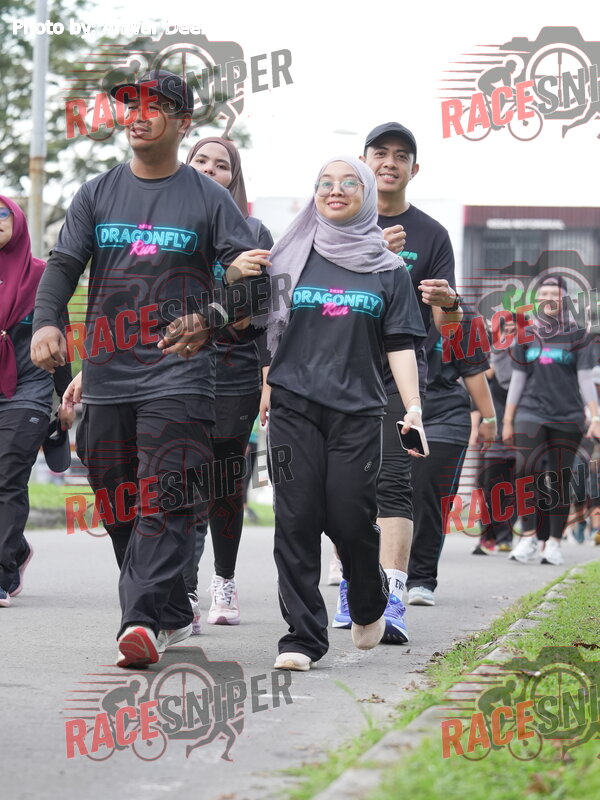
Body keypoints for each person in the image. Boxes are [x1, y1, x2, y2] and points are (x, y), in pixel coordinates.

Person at [32, 70, 269, 668]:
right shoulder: (96, 193)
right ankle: (165, 610)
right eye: (130, 104)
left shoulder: (210, 200)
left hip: (179, 374)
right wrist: (46, 322)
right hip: (108, 374)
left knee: (166, 494)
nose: (138, 114)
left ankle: (138, 619)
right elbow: (63, 263)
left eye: (155, 105)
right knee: (116, 501)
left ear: (183, 123)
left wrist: (210, 318)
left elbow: (253, 286)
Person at [259, 156, 426, 671]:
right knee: (296, 518)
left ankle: (369, 597)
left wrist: (414, 408)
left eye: (349, 183)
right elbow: (269, 329)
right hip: (293, 405)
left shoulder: (388, 268)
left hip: (358, 411)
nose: (335, 191)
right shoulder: (291, 255)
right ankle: (302, 638)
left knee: (351, 518)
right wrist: (265, 385)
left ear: (366, 194)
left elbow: (400, 343)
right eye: (324, 183)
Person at [333, 123, 462, 643]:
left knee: (392, 482)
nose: (390, 162)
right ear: (363, 161)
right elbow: (317, 297)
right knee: (346, 489)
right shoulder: (336, 220)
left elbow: (448, 324)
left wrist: (450, 302)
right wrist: (370, 252)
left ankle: (392, 596)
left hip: (400, 378)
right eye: (381, 153)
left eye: (401, 155)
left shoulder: (432, 234)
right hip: (338, 372)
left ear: (414, 168)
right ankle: (352, 586)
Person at [182, 137, 273, 630]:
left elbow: (250, 314)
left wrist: (231, 282)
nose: (209, 170)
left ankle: (224, 579)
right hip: (175, 367)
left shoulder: (253, 232)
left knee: (223, 482)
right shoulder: (172, 228)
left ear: (232, 178)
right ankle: (184, 588)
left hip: (233, 372)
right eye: (201, 160)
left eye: (221, 165)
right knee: (180, 476)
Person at [0, 197, 73, 608]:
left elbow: (59, 337)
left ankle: (1, 571)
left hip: (28, 390)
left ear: (18, 221)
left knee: (8, 478)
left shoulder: (42, 276)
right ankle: (18, 549)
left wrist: (66, 395)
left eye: (2, 213)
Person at [503, 276, 599, 565]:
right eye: (543, 292)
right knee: (525, 468)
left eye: (555, 293)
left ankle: (554, 543)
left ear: (564, 299)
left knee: (560, 477)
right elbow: (518, 379)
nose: (549, 297)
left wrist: (595, 415)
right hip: (530, 411)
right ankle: (528, 536)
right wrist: (507, 420)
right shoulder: (526, 334)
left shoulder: (579, 335)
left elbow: (585, 379)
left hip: (568, 416)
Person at [406, 311, 496, 605]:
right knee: (389, 495)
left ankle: (421, 578)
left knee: (429, 495)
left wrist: (489, 418)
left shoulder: (461, 319)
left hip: (445, 415)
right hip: (396, 410)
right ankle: (385, 571)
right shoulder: (391, 302)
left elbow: (473, 372)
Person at [471, 317, 517, 554]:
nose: (508, 334)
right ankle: (486, 535)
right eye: (503, 330)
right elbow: (475, 395)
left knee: (512, 487)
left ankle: (505, 537)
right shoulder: (486, 358)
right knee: (486, 486)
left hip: (516, 431)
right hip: (490, 432)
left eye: (513, 330)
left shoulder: (522, 360)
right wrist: (474, 427)